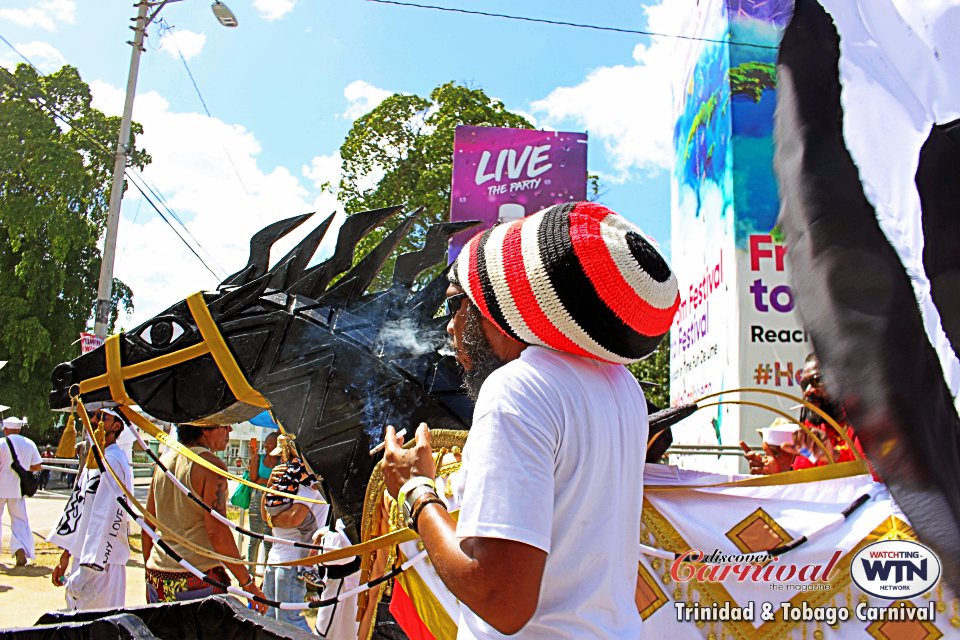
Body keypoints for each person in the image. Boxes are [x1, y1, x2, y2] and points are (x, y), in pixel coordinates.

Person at [382, 202, 679, 638]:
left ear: (498, 308)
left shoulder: (517, 388)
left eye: (455, 306)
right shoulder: (621, 388)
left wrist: (416, 490)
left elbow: (502, 600)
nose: (449, 328)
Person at [143, 423, 267, 612]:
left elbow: (148, 524)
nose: (229, 431)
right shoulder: (210, 465)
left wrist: (149, 572)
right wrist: (247, 583)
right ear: (205, 429)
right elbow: (217, 532)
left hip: (158, 575)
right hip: (195, 577)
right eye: (224, 425)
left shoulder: (164, 461)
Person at [48, 408, 134, 610]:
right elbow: (80, 508)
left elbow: (107, 517)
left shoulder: (113, 461)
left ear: (116, 426)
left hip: (102, 564)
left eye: (102, 417)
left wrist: (89, 571)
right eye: (92, 415)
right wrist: (67, 555)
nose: (94, 420)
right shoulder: (96, 457)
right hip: (85, 559)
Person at [745, 353, 866, 474]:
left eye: (817, 381)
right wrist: (778, 470)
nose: (808, 391)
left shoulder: (866, 421)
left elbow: (875, 475)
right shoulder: (811, 426)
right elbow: (805, 475)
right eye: (804, 384)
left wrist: (833, 456)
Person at [259, 446, 328, 632]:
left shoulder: (308, 483)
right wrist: (269, 486)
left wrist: (273, 520)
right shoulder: (289, 481)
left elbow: (293, 519)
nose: (284, 460)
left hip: (294, 561)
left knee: (289, 621)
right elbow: (264, 515)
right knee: (270, 619)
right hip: (277, 557)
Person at [0, 416, 42, 566]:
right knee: (20, 521)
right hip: (17, 490)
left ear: (5, 429)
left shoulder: (1, 443)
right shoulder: (29, 444)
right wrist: (24, 469)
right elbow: (37, 466)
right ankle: (20, 550)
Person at [246, 431, 279, 565]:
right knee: (254, 538)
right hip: (257, 499)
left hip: (273, 502)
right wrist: (253, 456)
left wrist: (263, 481)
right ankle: (251, 571)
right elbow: (253, 479)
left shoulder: (281, 461)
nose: (268, 447)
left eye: (271, 444)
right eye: (267, 444)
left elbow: (278, 481)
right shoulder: (259, 458)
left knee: (269, 539)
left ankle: (266, 573)